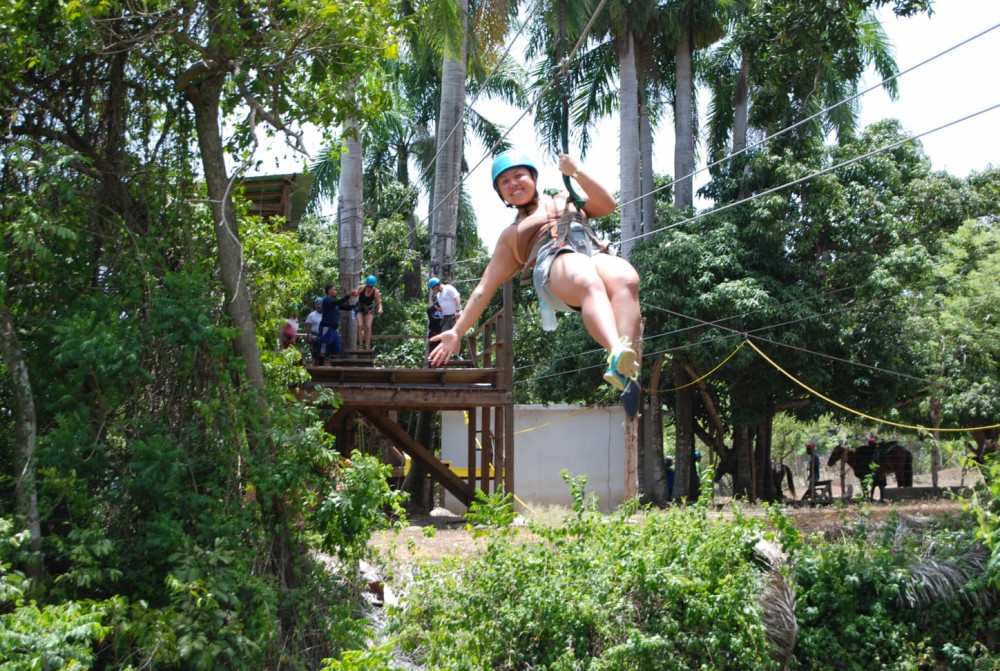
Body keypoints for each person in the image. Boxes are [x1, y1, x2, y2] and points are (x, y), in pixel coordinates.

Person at [427, 150, 642, 416]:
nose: (513, 184)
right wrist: (457, 332)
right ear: (501, 193)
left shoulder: (566, 198)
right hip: (554, 269)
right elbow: (484, 288)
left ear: (533, 178)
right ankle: (615, 351)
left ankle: (625, 364)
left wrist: (576, 172)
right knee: (585, 277)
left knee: (626, 277)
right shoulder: (511, 236)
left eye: (519, 176)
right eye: (505, 182)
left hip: (592, 252)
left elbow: (608, 205)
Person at [317, 284, 354, 365]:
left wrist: (355, 306)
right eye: (334, 289)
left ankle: (334, 368)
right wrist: (348, 295)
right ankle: (320, 368)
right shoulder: (327, 300)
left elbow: (345, 307)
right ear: (329, 291)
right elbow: (338, 302)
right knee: (323, 348)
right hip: (326, 328)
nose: (336, 291)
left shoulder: (334, 303)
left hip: (333, 329)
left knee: (336, 347)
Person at [353, 275, 383, 350]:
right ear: (366, 285)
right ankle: (360, 344)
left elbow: (379, 303)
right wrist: (354, 293)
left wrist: (380, 309)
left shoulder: (376, 292)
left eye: (371, 287)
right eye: (368, 286)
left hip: (368, 309)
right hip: (359, 307)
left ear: (373, 286)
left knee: (368, 326)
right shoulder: (361, 288)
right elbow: (355, 294)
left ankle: (367, 345)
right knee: (360, 325)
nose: (369, 288)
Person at [305, 296, 323, 363]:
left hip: (324, 337)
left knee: (323, 356)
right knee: (315, 355)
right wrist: (309, 337)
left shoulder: (326, 315)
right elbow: (308, 326)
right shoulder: (311, 315)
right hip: (314, 337)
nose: (319, 306)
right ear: (315, 305)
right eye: (317, 304)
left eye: (320, 304)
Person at [426, 300, 444, 365]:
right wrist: (442, 318)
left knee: (441, 352)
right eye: (440, 308)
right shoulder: (430, 309)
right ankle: (431, 367)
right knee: (432, 351)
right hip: (433, 333)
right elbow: (433, 318)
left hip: (442, 334)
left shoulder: (445, 309)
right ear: (436, 306)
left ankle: (439, 367)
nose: (441, 309)